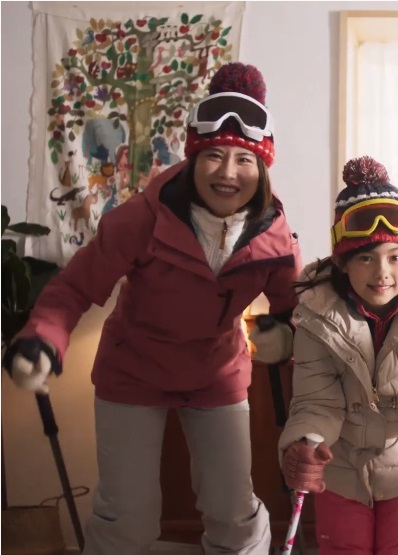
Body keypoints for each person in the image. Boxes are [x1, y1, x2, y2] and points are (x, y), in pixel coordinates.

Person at [2, 62, 300, 555]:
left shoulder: (274, 234)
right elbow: (74, 287)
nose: (228, 173)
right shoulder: (141, 217)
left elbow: (297, 309)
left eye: (244, 159)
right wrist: (42, 339)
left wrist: (285, 337)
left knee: (233, 512)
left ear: (262, 167)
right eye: (214, 156)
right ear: (192, 157)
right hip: (134, 370)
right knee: (127, 518)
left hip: (217, 372)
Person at [277, 155, 398, 555]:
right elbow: (315, 400)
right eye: (366, 257)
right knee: (343, 547)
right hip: (340, 465)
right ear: (343, 263)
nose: (382, 272)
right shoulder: (315, 316)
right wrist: (304, 442)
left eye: (395, 256)